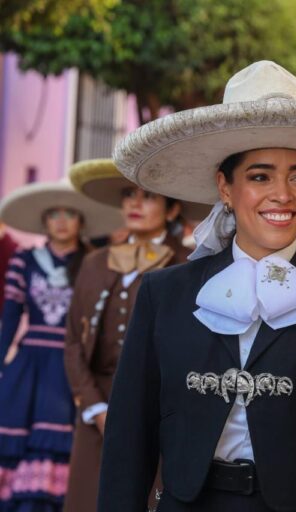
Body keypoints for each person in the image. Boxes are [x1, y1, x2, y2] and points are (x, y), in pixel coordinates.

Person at [97, 60, 296, 511]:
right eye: (260, 176)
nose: (283, 194)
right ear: (225, 187)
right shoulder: (164, 294)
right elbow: (128, 439)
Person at [62, 160, 206, 512]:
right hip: (97, 405)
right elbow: (73, 342)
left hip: (158, 406)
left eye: (148, 196)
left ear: (172, 208)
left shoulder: (188, 266)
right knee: (88, 498)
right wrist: (95, 406)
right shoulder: (95, 262)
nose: (135, 204)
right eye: (129, 195)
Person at [0, 176, 122, 511]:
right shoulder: (23, 260)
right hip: (28, 365)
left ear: (82, 222)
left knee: (66, 445)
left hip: (71, 366)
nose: (62, 221)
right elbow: (10, 316)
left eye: (70, 214)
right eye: (54, 214)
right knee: (19, 441)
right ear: (44, 222)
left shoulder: (94, 263)